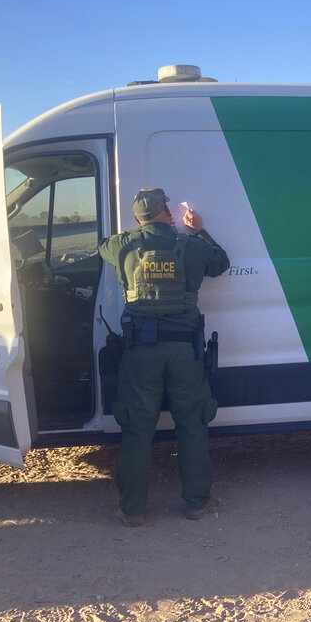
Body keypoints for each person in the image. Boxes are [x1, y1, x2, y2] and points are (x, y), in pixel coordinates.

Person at [99, 188, 229, 526]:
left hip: (140, 353)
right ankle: (196, 502)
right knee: (192, 424)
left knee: (137, 429)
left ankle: (132, 509)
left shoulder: (123, 246)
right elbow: (221, 263)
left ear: (138, 217)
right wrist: (197, 229)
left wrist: (137, 231)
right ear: (168, 213)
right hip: (185, 352)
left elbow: (103, 247)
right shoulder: (193, 245)